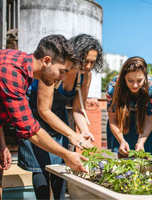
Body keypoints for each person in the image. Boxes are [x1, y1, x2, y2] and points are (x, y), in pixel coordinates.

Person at [0, 34, 89, 200]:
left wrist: (1, 144)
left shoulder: (21, 67)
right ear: (47, 60)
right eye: (62, 71)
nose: (62, 78)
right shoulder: (11, 71)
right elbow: (29, 129)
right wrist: (66, 155)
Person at [18, 34, 103, 200]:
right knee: (40, 167)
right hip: (36, 117)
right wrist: (71, 134)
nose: (87, 66)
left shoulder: (85, 75)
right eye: (84, 60)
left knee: (61, 164)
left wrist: (83, 130)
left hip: (59, 117)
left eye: (92, 62)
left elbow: (78, 108)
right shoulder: (54, 70)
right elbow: (44, 110)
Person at [106, 57, 152, 158]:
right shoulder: (112, 88)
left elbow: (149, 118)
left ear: (145, 76)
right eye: (130, 80)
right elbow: (113, 119)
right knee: (124, 158)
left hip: (145, 123)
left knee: (145, 160)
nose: (135, 85)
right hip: (122, 122)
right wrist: (121, 140)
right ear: (124, 78)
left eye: (139, 80)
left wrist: (141, 142)